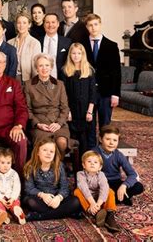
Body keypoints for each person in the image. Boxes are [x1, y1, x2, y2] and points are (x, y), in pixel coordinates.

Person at [84, 14, 121, 149]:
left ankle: (105, 151)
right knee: (89, 123)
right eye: (90, 25)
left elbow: (117, 72)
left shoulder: (111, 45)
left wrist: (115, 94)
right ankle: (92, 151)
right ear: (87, 27)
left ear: (100, 25)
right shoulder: (82, 45)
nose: (93, 28)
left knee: (105, 123)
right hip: (88, 91)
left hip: (106, 92)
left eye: (95, 24)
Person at [22, 138, 81, 221]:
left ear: (54, 154)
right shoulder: (30, 167)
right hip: (39, 199)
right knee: (31, 202)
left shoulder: (59, 166)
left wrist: (59, 198)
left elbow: (64, 187)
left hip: (55, 198)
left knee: (76, 201)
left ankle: (40, 216)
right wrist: (42, 195)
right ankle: (65, 212)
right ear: (38, 152)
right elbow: (29, 188)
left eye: (51, 151)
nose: (48, 153)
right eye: (45, 150)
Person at [24, 53, 70, 156]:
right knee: (44, 147)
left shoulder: (59, 84)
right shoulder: (28, 85)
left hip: (58, 123)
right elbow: (27, 109)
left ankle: (57, 167)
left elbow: (65, 108)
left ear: (51, 67)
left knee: (62, 143)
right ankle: (43, 169)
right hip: (40, 125)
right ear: (36, 68)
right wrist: (38, 124)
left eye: (47, 65)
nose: (44, 68)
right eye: (41, 66)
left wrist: (58, 123)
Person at [93, 125, 144, 206]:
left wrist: (124, 185)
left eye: (115, 140)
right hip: (99, 184)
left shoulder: (118, 155)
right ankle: (119, 199)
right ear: (100, 139)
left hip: (115, 182)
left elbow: (132, 174)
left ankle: (116, 198)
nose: (111, 143)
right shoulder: (93, 153)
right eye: (108, 139)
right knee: (100, 193)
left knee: (139, 187)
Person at [61, 43, 96, 154]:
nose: (76, 56)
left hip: (86, 111)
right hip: (72, 110)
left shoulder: (89, 71)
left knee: (86, 139)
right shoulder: (65, 71)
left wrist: (90, 112)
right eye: (73, 53)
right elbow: (63, 94)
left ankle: (85, 163)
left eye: (79, 53)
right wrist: (68, 111)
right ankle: (73, 165)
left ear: (83, 55)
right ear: (70, 55)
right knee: (73, 138)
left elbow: (92, 93)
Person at [74, 150, 121, 232]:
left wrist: (98, 204)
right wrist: (92, 203)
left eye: (95, 162)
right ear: (84, 165)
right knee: (77, 191)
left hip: (99, 197)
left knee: (110, 191)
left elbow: (104, 188)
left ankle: (110, 215)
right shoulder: (80, 174)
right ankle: (94, 213)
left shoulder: (101, 174)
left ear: (100, 167)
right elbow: (84, 188)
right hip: (88, 199)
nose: (92, 164)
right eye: (89, 161)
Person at [0, 148, 26, 225]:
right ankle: (2, 214)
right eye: (3, 163)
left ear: (11, 162)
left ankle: (17, 212)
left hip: (12, 197)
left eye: (8, 163)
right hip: (0, 198)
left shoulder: (14, 174)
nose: (6, 166)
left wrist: (12, 199)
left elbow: (17, 188)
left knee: (16, 203)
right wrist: (1, 199)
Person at [7, 13, 41, 83]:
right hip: (10, 78)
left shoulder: (35, 43)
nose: (21, 25)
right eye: (19, 23)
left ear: (29, 25)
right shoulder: (9, 42)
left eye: (24, 23)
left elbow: (35, 66)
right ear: (16, 25)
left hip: (27, 79)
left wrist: (34, 83)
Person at [38, 13, 72, 79]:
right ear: (44, 25)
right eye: (47, 22)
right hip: (40, 81)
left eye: (53, 22)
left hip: (61, 81)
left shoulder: (67, 42)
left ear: (58, 24)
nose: (50, 25)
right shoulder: (37, 42)